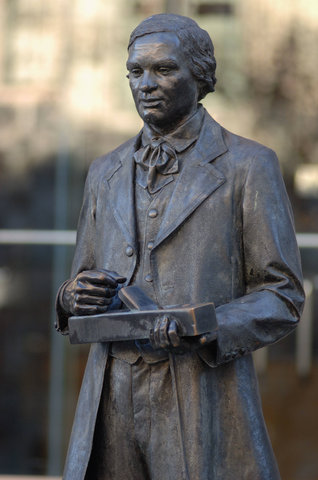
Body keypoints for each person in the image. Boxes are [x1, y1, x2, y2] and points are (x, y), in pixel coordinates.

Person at [55, 13, 304, 480]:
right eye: (136, 72)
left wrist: (203, 324)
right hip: (111, 393)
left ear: (200, 76)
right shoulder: (103, 173)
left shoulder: (248, 166)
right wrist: (71, 296)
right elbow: (83, 277)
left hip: (199, 389)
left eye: (164, 69)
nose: (146, 84)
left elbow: (282, 294)